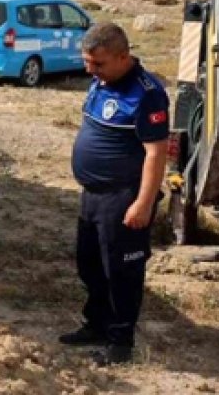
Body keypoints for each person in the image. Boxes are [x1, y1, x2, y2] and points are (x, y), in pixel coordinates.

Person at [59, 22, 169, 367]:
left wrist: (143, 203)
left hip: (123, 198)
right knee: (90, 265)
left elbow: (156, 153)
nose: (90, 70)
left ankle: (120, 341)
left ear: (123, 56)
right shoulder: (100, 82)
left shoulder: (146, 93)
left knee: (121, 271)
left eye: (98, 64)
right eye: (87, 62)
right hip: (92, 195)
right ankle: (96, 324)